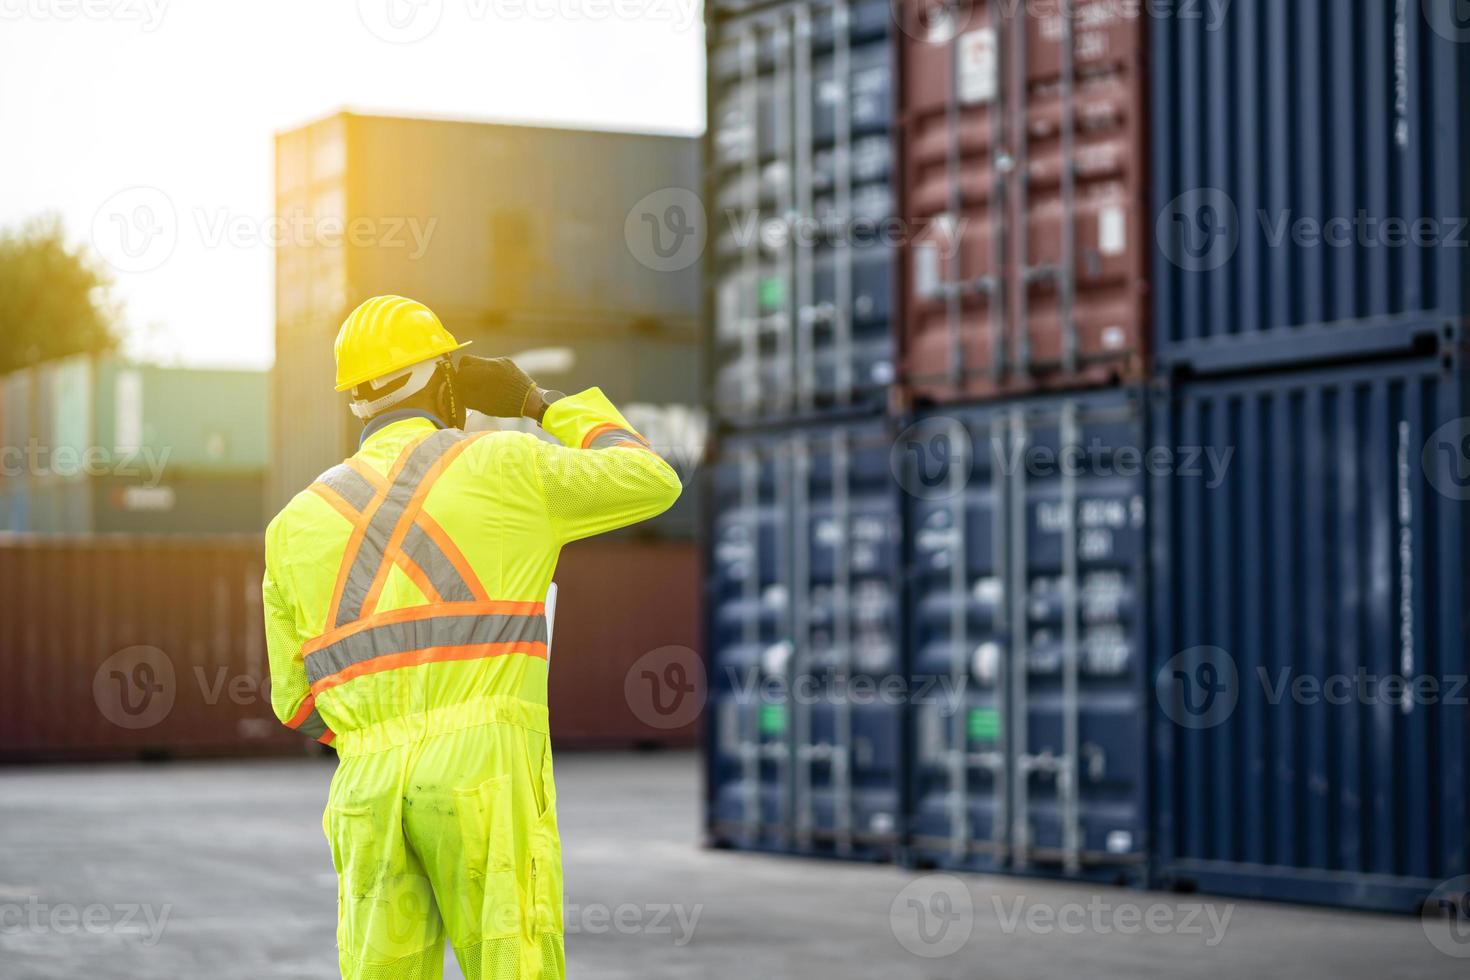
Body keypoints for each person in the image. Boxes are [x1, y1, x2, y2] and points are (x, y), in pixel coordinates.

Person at [262, 295, 682, 979]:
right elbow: (651, 478)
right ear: (444, 380)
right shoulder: (505, 464)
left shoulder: (294, 523)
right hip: (482, 773)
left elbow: (294, 703)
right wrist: (541, 402)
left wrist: (380, 736)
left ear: (357, 402)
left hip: (366, 787)